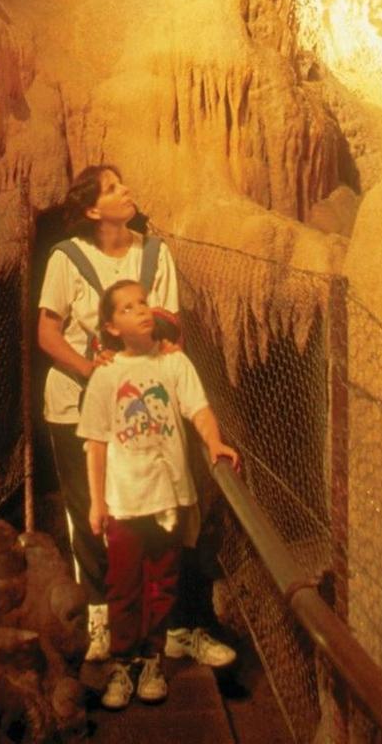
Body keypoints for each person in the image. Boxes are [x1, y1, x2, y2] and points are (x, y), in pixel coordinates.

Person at [36, 164, 181, 661]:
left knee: (141, 511)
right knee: (89, 510)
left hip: (139, 410)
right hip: (74, 404)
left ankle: (146, 623)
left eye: (125, 182)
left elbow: (166, 327)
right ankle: (100, 615)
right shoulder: (67, 260)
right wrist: (88, 368)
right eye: (114, 188)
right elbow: (48, 332)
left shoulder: (155, 255)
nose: (127, 190)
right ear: (94, 210)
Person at [79, 278, 239, 709]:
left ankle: (150, 661)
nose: (142, 310)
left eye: (143, 303)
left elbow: (198, 408)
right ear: (111, 327)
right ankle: (122, 663)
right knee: (124, 586)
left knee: (162, 583)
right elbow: (94, 443)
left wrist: (214, 442)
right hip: (125, 501)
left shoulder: (174, 364)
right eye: (128, 308)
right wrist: (97, 502)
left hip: (167, 497)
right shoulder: (106, 376)